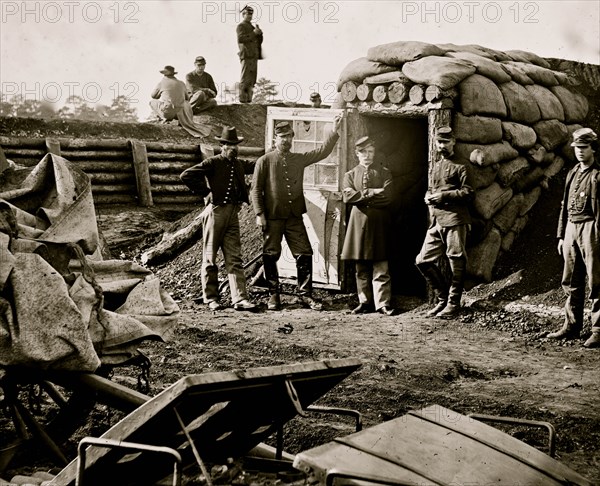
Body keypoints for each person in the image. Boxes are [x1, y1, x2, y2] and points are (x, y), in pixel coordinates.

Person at [251, 116, 342, 311]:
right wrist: (260, 214)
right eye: (281, 136)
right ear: (275, 139)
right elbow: (255, 190)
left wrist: (333, 130)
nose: (285, 140)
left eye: (289, 136)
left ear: (293, 138)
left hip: (294, 218)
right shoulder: (264, 161)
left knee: (304, 253)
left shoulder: (298, 159)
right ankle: (273, 295)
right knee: (270, 254)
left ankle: (305, 295)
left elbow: (322, 152)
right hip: (272, 217)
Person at [180, 126, 258, 312]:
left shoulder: (239, 164)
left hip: (233, 214)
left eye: (235, 145)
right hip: (215, 213)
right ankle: (211, 298)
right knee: (210, 257)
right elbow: (186, 175)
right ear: (222, 145)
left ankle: (239, 299)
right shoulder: (213, 162)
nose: (233, 148)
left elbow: (258, 165)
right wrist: (206, 192)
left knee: (234, 257)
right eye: (229, 145)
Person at [548, 128, 600, 348]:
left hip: (591, 228)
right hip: (571, 228)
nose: (579, 152)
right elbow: (564, 207)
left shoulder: (598, 175)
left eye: (583, 148)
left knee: (596, 280)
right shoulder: (572, 173)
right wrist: (561, 235)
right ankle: (572, 325)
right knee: (570, 280)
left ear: (593, 149)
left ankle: (598, 329)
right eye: (577, 148)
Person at [415, 126, 473, 318]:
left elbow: (468, 192)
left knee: (456, 260)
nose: (442, 146)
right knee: (422, 261)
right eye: (439, 142)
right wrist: (427, 196)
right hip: (436, 221)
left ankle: (453, 303)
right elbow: (432, 189)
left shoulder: (462, 165)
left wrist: (444, 196)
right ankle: (442, 299)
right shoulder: (437, 166)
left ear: (453, 142)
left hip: (455, 220)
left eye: (446, 142)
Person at [341, 136, 395, 316]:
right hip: (359, 225)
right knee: (361, 267)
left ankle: (383, 304)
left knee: (381, 266)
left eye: (370, 151)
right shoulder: (349, 175)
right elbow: (348, 198)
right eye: (363, 152)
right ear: (357, 154)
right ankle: (364, 302)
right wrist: (372, 192)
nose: (367, 155)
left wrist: (361, 197)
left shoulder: (384, 173)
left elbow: (388, 197)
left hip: (379, 224)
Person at [150, 65, 211, 138]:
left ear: (164, 74)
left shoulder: (161, 83)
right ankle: (175, 118)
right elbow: (187, 98)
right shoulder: (181, 83)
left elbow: (153, 96)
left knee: (152, 102)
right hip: (180, 114)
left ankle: (165, 118)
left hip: (168, 112)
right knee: (185, 103)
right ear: (173, 74)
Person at [236, 5, 262, 103]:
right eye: (248, 14)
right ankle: (243, 100)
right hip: (246, 55)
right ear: (243, 15)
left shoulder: (252, 27)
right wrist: (254, 33)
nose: (250, 16)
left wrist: (260, 34)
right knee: (245, 78)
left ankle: (249, 100)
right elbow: (241, 39)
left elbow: (258, 41)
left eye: (251, 14)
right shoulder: (241, 26)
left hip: (253, 56)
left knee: (252, 79)